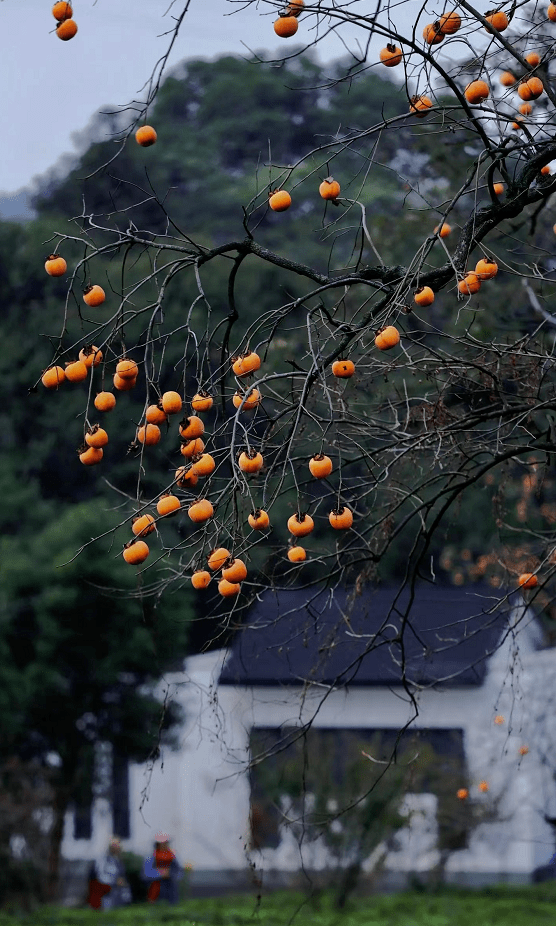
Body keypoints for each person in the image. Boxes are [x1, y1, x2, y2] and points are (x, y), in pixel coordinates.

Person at [88, 836, 132, 910]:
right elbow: (101, 876)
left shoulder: (118, 860)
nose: (118, 848)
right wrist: (115, 881)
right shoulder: (103, 859)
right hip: (105, 887)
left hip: (116, 887)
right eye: (116, 846)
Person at [143, 833, 183, 904]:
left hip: (171, 888)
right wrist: (160, 873)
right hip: (156, 887)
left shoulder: (172, 856)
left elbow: (179, 872)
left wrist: (170, 874)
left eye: (165, 843)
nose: (164, 845)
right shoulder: (150, 857)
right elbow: (145, 874)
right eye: (161, 844)